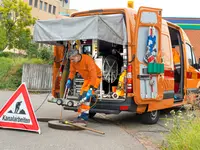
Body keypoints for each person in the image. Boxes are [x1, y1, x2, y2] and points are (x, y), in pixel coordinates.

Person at [66, 49, 102, 123]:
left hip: (95, 78)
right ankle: (80, 116)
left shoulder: (88, 60)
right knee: (80, 97)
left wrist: (91, 88)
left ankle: (84, 117)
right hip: (87, 79)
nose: (71, 61)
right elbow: (72, 71)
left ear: (76, 56)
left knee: (85, 97)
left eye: (72, 59)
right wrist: (69, 79)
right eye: (70, 60)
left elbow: (93, 75)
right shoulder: (73, 62)